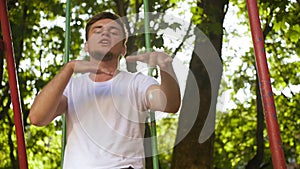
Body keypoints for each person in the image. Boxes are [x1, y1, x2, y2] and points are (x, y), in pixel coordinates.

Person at [29, 11, 181, 169]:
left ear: (123, 48)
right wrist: (69, 68)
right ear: (86, 46)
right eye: (97, 30)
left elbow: (169, 104)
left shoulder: (137, 83)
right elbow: (37, 118)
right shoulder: (71, 87)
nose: (105, 34)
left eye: (113, 32)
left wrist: (165, 67)